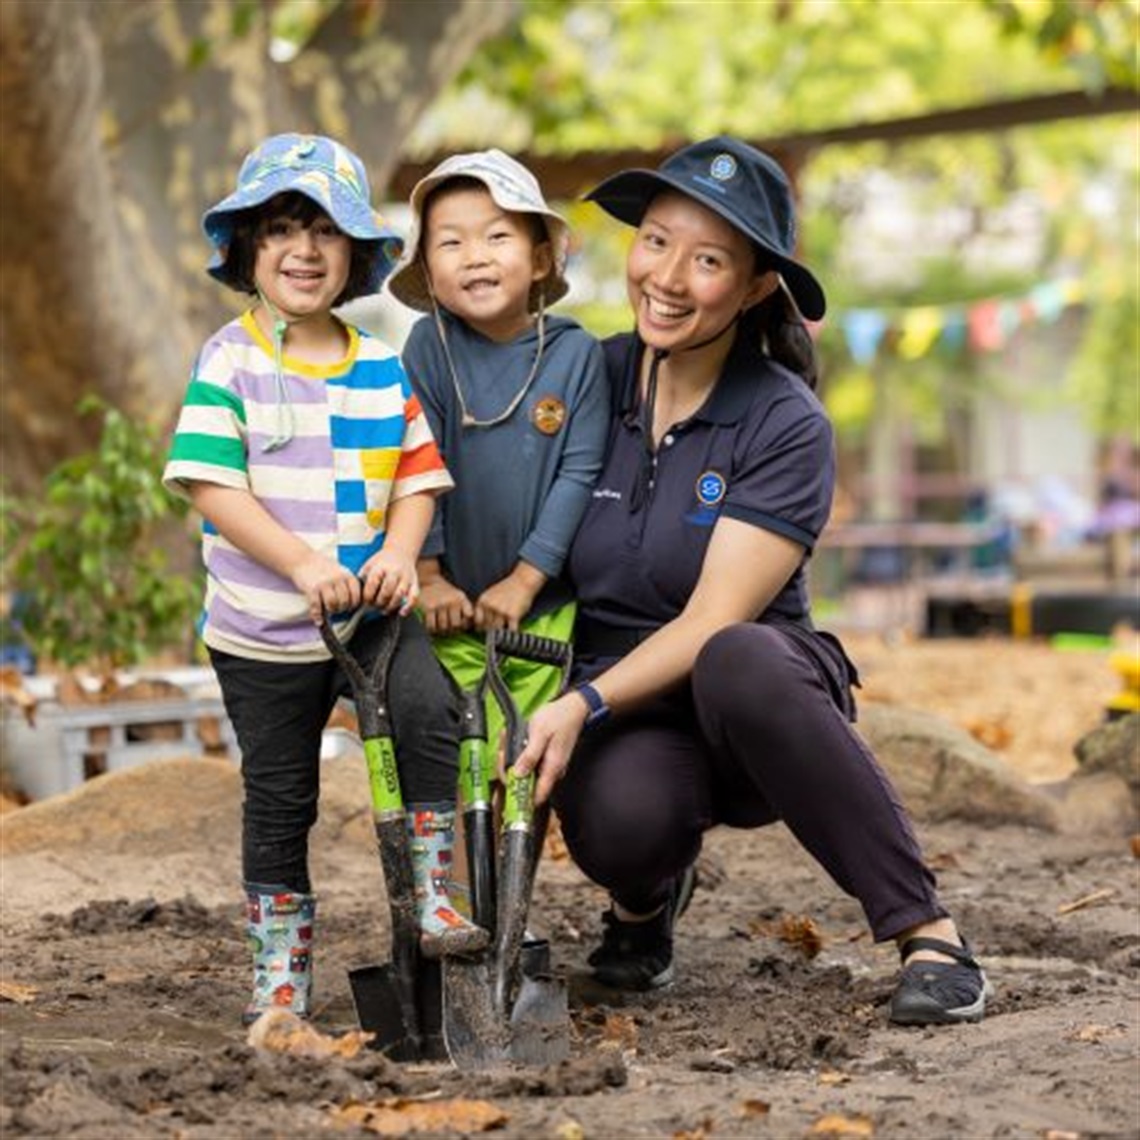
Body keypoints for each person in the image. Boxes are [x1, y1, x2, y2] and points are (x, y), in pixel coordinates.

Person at [514, 136, 990, 1027]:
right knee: (621, 824)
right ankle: (644, 912)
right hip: (627, 705)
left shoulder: (782, 420)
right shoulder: (587, 376)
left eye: (708, 260)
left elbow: (710, 621)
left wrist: (575, 706)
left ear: (757, 285)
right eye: (656, 241)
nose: (668, 276)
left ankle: (930, 932)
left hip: (754, 705)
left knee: (738, 655)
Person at [163, 133, 486, 1026]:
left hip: (374, 613)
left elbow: (417, 480)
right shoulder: (229, 360)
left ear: (353, 257)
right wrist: (302, 563)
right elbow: (210, 483)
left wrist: (395, 554)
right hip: (265, 626)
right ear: (246, 251)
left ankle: (435, 897)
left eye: (325, 232)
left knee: (433, 711)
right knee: (280, 796)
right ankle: (278, 981)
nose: (303, 249)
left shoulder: (379, 367)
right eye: (280, 229)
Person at [387, 149, 608, 756]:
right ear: (428, 271)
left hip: (540, 606)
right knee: (455, 750)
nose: (475, 255)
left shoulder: (575, 354)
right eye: (450, 243)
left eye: (497, 236)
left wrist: (526, 579)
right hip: (447, 603)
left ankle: (520, 853)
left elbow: (579, 472)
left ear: (540, 259)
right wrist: (428, 576)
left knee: (527, 753)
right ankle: (463, 855)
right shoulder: (429, 345)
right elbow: (415, 460)